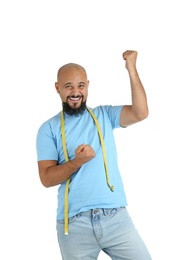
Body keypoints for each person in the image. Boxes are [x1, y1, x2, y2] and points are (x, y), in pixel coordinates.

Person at [36, 50, 152, 259]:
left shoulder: (104, 115)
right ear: (57, 88)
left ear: (87, 86)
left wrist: (131, 69)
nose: (75, 92)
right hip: (73, 224)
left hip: (115, 216)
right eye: (68, 86)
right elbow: (46, 178)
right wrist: (77, 162)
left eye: (81, 85)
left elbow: (140, 112)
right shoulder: (49, 129)